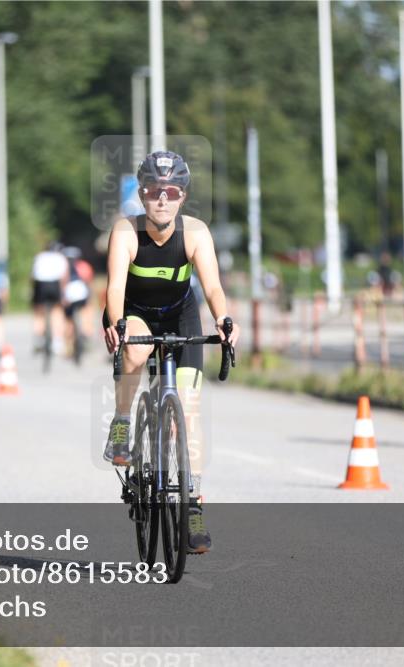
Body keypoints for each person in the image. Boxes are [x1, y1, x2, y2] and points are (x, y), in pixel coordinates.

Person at [102, 150, 241, 554]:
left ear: (183, 196)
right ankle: (124, 421)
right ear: (142, 195)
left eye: (172, 191)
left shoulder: (195, 232)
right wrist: (118, 324)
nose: (162, 199)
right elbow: (113, 288)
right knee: (134, 353)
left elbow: (212, 287)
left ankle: (193, 504)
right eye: (153, 191)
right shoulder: (126, 232)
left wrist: (224, 319)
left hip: (181, 316)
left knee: (189, 410)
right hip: (134, 311)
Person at [30, 243, 69, 357]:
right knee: (57, 312)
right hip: (55, 284)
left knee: (39, 312)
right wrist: (63, 295)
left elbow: (33, 276)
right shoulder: (61, 258)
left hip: (40, 284)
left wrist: (33, 292)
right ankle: (57, 342)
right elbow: (64, 278)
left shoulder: (39, 256)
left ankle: (38, 340)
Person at [61, 246, 94, 355]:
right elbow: (88, 283)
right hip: (82, 294)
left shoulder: (63, 267)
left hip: (68, 295)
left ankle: (68, 346)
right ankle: (86, 333)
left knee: (67, 319)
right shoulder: (84, 266)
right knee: (86, 311)